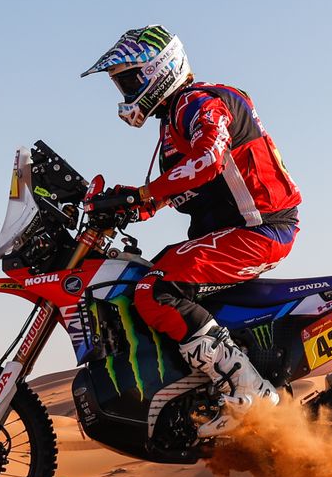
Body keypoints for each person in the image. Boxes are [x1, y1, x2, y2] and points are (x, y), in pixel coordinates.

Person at [81, 25, 301, 436]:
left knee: (156, 290)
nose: (125, 91)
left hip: (259, 230)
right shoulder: (173, 124)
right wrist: (129, 204)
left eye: (129, 79)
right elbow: (181, 188)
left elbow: (208, 160)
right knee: (150, 277)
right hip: (239, 230)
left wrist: (145, 193)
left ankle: (246, 392)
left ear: (158, 71)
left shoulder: (198, 103)